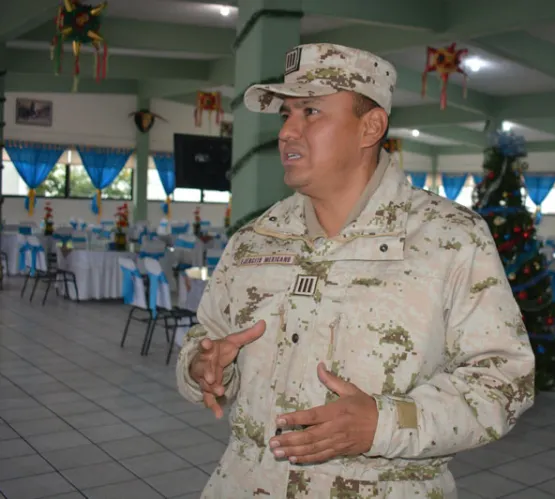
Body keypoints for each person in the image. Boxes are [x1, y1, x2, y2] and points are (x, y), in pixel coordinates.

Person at [176, 42, 535, 499]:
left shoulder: (450, 239)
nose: (287, 131)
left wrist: (384, 423)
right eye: (285, 115)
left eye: (310, 112)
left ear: (370, 127)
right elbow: (201, 339)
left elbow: (506, 381)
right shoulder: (254, 241)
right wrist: (202, 368)